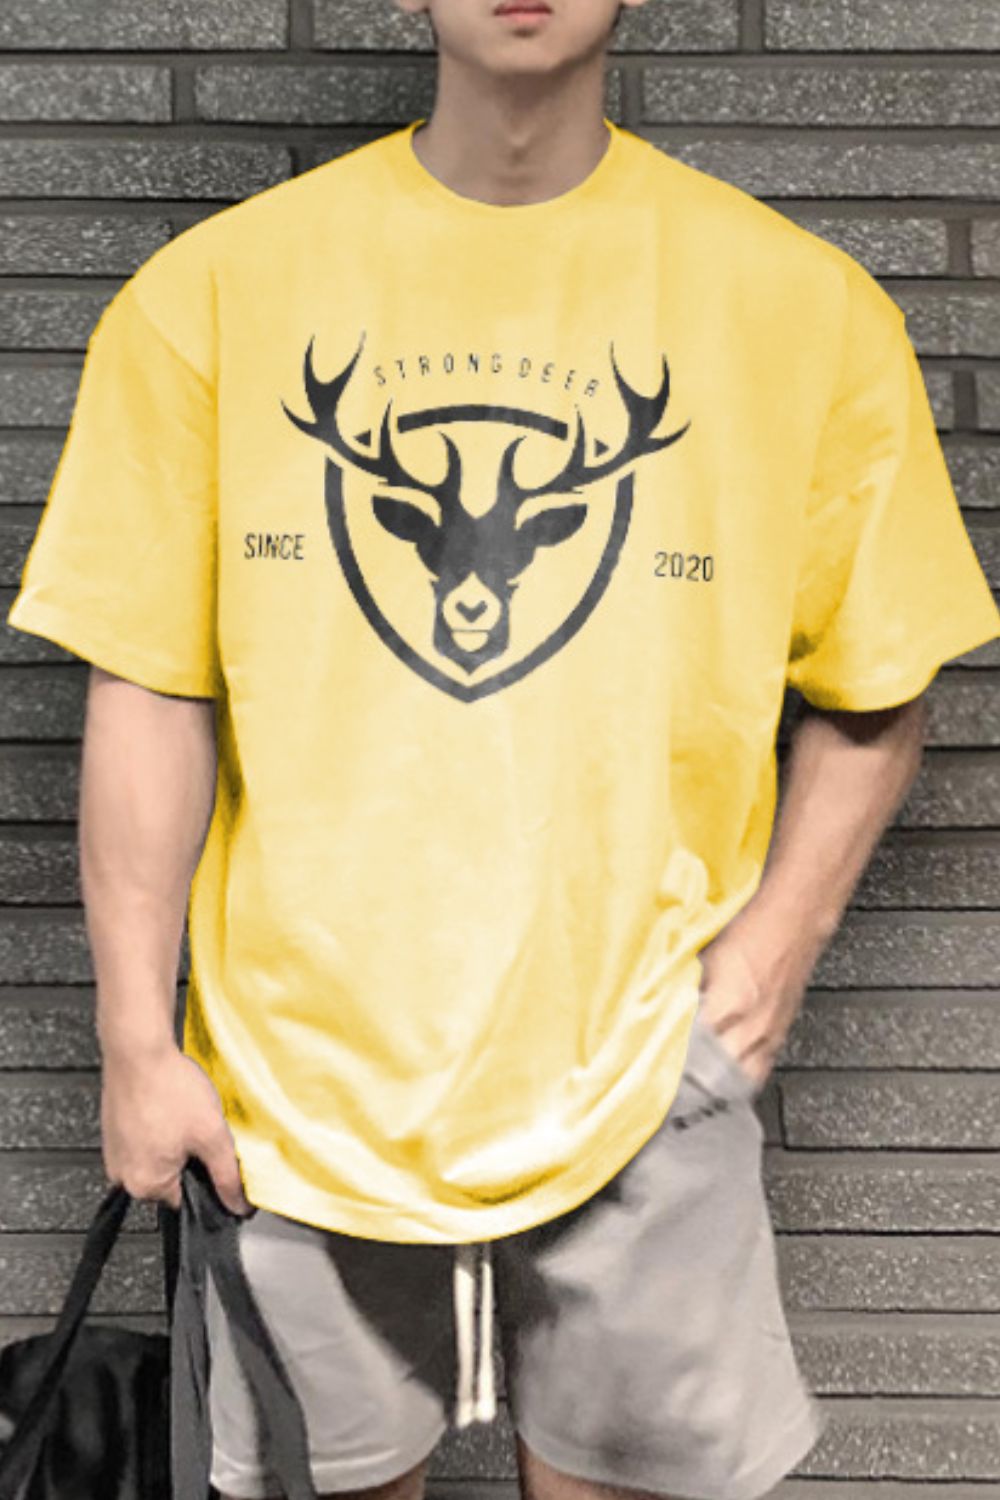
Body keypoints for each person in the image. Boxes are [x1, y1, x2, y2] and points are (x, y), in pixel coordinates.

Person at [7, 1, 1000, 1497]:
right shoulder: (211, 296)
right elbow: (150, 689)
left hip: (644, 1075)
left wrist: (770, 957)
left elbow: (879, 678)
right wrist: (138, 1046)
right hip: (298, 1098)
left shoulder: (799, 308)